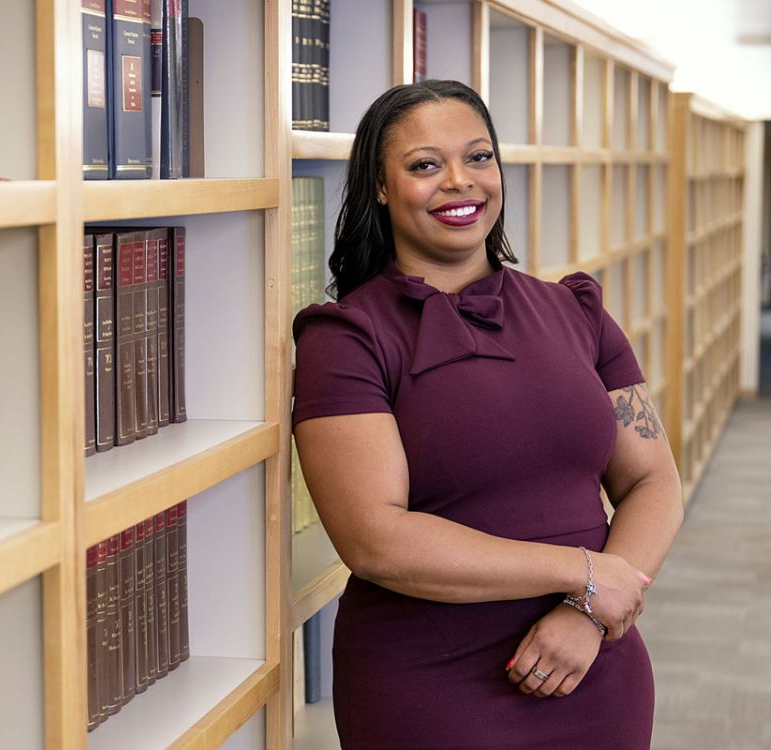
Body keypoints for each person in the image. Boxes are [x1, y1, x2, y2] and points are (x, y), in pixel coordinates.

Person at [291, 80, 684, 749]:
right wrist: (584, 576)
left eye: (477, 157)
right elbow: (373, 539)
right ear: (380, 187)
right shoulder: (346, 338)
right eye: (424, 165)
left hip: (594, 669)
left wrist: (585, 616)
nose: (459, 182)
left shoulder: (576, 310)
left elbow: (653, 481)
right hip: (430, 687)